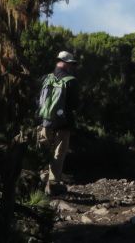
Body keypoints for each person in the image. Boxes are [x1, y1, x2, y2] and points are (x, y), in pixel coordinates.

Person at [38, 50, 79, 195]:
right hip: (64, 121)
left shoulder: (45, 78)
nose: (71, 67)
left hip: (45, 120)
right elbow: (74, 104)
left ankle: (39, 178)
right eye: (71, 64)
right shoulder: (71, 81)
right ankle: (53, 182)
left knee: (43, 148)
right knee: (59, 151)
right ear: (67, 64)